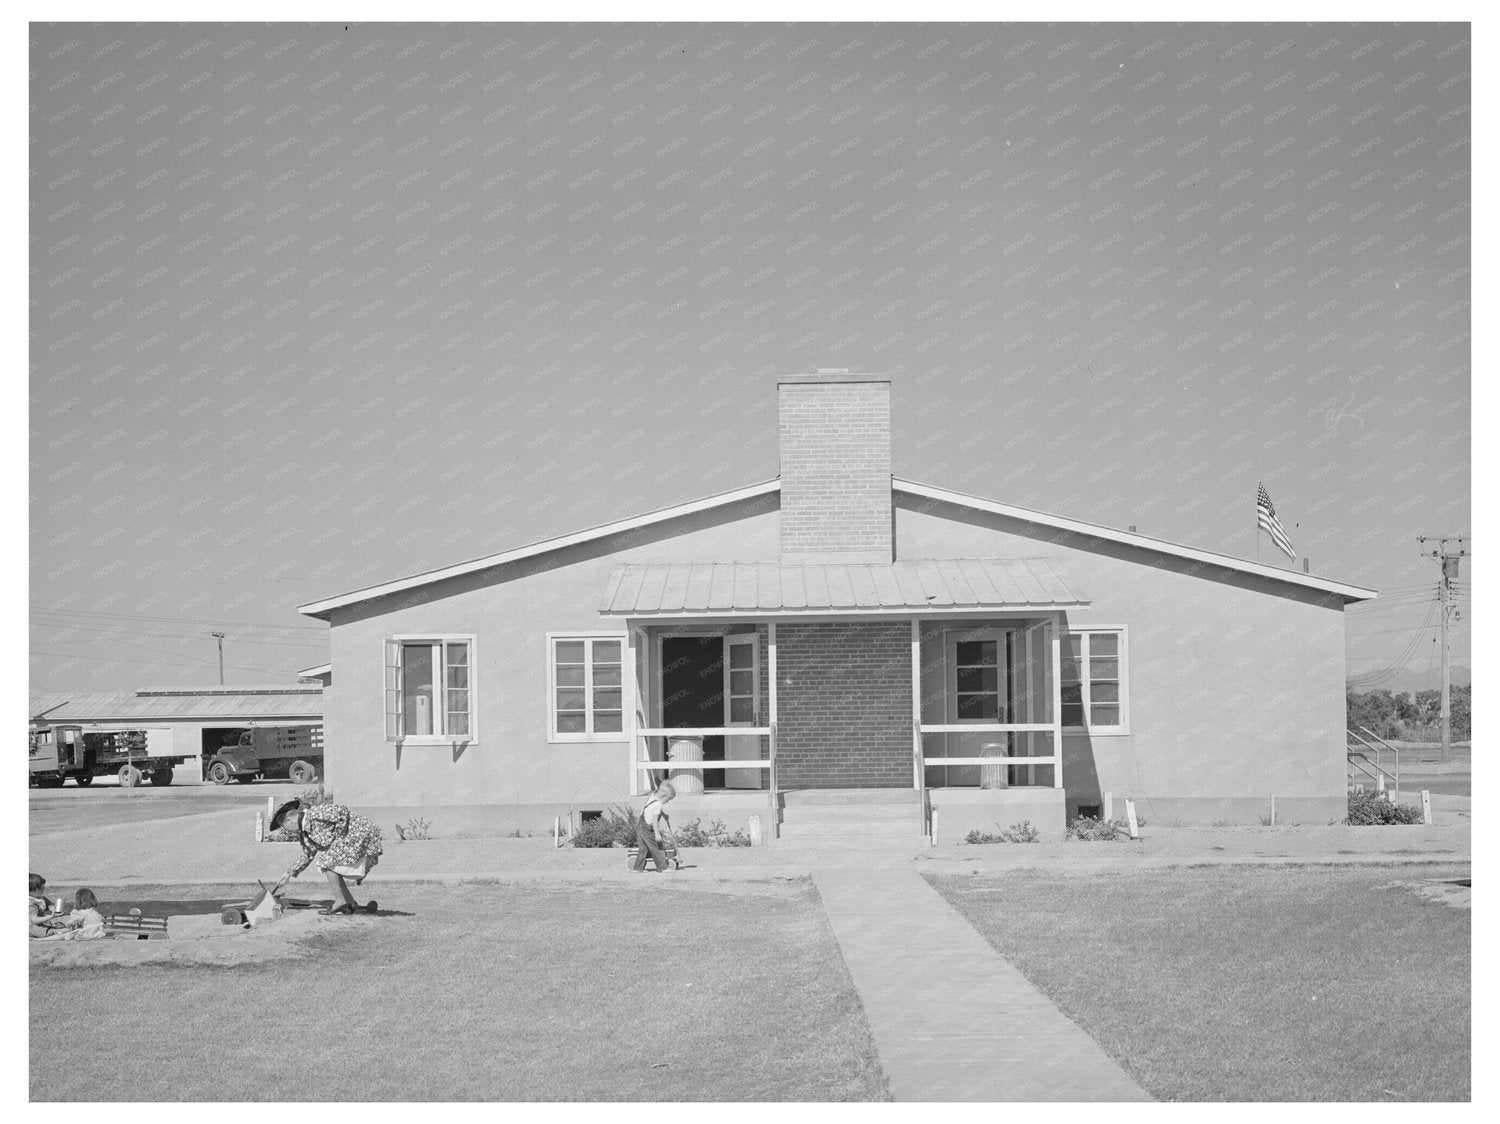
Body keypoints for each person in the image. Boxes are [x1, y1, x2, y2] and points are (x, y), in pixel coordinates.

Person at [270, 799, 385, 915]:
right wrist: (288, 873)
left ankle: (340, 901)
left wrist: (339, 838)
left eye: (285, 828)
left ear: (290, 820)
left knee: (326, 861)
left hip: (362, 833)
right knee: (330, 862)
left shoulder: (315, 813)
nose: (288, 832)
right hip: (351, 840)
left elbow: (342, 812)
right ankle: (350, 903)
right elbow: (308, 854)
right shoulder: (304, 834)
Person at [631, 781, 677, 873]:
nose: (667, 802)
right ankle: (663, 868)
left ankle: (638, 868)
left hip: (640, 826)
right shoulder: (658, 805)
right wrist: (657, 834)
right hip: (647, 829)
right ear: (663, 796)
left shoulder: (652, 797)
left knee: (643, 849)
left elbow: (650, 810)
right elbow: (655, 820)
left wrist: (664, 815)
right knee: (657, 848)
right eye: (668, 800)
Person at [38, 888, 105, 941]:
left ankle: (43, 939)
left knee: (64, 935)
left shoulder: (78, 912)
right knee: (67, 931)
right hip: (98, 932)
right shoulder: (94, 910)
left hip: (87, 934)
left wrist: (69, 924)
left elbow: (70, 924)